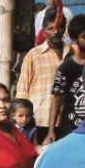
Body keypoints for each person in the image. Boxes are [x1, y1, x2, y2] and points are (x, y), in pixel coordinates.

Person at [17, 9, 69, 142]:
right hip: (39, 119)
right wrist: (21, 118)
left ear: (64, 28)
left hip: (65, 120)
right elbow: (23, 88)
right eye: (51, 28)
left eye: (59, 27)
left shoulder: (72, 54)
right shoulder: (33, 55)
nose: (55, 31)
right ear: (43, 31)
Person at [47, 13, 85, 142]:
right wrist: (51, 131)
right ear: (74, 40)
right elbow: (56, 99)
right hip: (71, 131)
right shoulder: (65, 69)